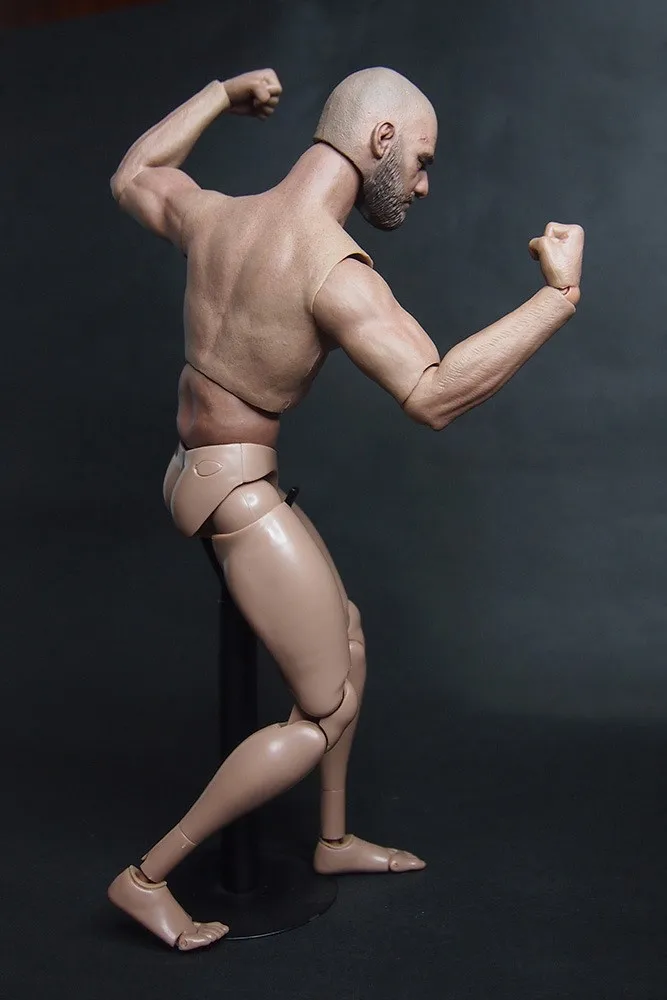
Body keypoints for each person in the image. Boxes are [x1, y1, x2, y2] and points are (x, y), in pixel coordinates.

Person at [107, 66, 584, 951]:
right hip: (236, 496)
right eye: (422, 160)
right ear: (380, 140)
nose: (424, 184)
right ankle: (146, 877)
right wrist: (555, 299)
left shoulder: (218, 216)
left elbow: (135, 173)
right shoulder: (332, 271)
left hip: (195, 472)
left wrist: (219, 95)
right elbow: (435, 394)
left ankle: (329, 841)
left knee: (348, 636)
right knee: (320, 710)